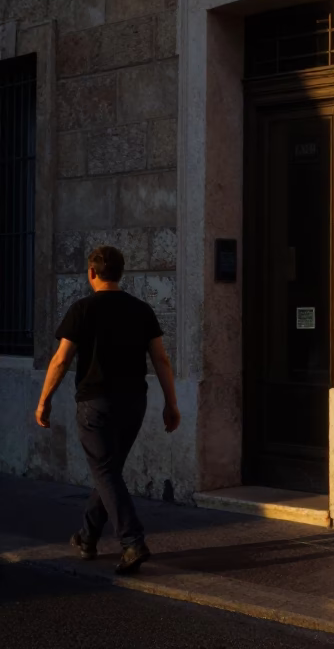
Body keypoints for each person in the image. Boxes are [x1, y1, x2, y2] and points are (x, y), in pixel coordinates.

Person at [34, 246, 181, 574]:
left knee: (105, 472)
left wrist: (44, 401)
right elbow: (161, 359)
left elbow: (61, 359)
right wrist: (171, 404)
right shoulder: (142, 310)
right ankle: (87, 537)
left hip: (95, 404)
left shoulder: (82, 309)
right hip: (134, 404)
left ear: (91, 273)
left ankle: (132, 542)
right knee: (109, 472)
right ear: (121, 273)